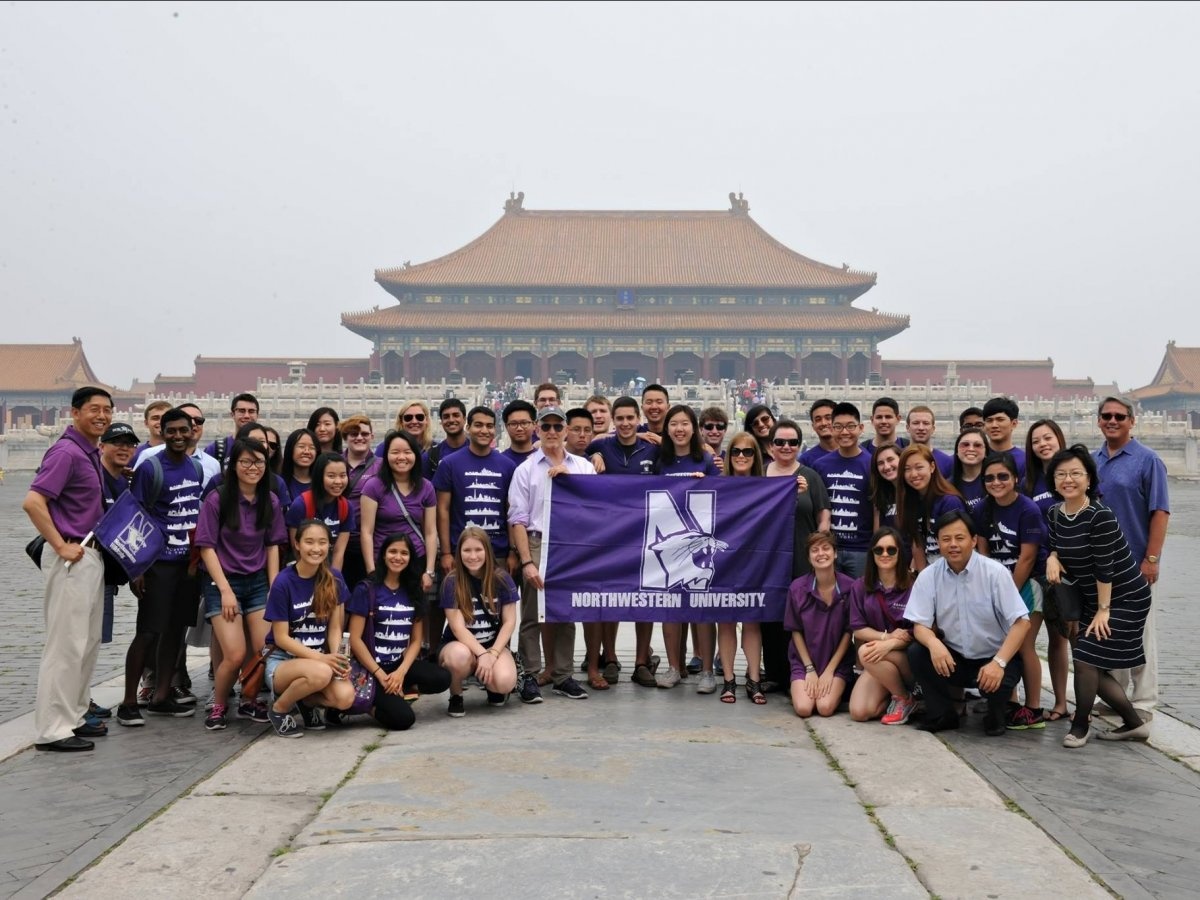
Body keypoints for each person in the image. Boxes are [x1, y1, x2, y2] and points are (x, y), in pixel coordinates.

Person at [24, 386, 113, 751]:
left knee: (86, 643)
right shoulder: (65, 452)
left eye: (107, 410)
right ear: (75, 413)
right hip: (71, 555)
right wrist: (60, 545)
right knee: (65, 645)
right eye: (94, 409)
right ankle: (53, 730)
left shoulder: (89, 452)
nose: (102, 416)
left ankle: (74, 716)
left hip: (90, 554)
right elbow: (33, 502)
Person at [1046, 445, 1153, 748]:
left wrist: (1103, 610)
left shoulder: (1099, 515)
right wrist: (1052, 557)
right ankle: (1134, 724)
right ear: (1053, 481)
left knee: (1084, 659)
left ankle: (1080, 725)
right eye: (1061, 474)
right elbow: (1055, 545)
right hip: (1093, 598)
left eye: (1075, 473)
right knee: (1090, 661)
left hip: (1125, 598)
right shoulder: (1054, 513)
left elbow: (1104, 568)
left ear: (1089, 479)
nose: (1068, 479)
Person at [904, 510, 1030, 736]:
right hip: (956, 658)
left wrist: (999, 662)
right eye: (946, 539)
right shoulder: (929, 576)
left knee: (995, 725)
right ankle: (942, 714)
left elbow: (1022, 623)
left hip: (993, 657)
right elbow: (919, 625)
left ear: (973, 540)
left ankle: (997, 712)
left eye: (959, 538)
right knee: (917, 652)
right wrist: (934, 644)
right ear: (938, 543)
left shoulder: (995, 573)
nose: (953, 544)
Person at [193, 438, 288, 731]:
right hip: (222, 581)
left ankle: (249, 699)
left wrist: (274, 586)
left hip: (257, 582)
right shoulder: (217, 499)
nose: (252, 467)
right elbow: (206, 548)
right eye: (245, 461)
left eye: (259, 462)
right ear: (233, 465)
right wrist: (224, 590)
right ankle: (219, 703)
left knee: (264, 649)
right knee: (234, 654)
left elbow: (272, 545)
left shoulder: (270, 500)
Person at [119, 407, 204, 726]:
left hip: (187, 565)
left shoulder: (196, 468)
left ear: (192, 431)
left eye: (184, 430)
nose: (179, 436)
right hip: (158, 564)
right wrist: (137, 569)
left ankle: (161, 696)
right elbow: (133, 517)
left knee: (175, 631)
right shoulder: (150, 468)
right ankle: (129, 701)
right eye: (172, 431)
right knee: (148, 631)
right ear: (162, 432)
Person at [508, 405, 594, 702]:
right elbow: (517, 519)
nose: (553, 432)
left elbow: (596, 506)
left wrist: (571, 481)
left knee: (566, 613)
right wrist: (526, 561)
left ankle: (563, 675)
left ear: (566, 430)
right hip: (537, 541)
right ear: (537, 429)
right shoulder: (526, 469)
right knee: (532, 613)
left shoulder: (582, 467)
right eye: (546, 426)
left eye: (558, 426)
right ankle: (530, 674)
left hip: (570, 544)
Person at [1092, 396, 1169, 720]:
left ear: (1131, 421)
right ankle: (1116, 697)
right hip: (1100, 565)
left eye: (1119, 416)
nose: (1112, 421)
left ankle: (1144, 701)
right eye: (1106, 415)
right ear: (1099, 420)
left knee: (1141, 633)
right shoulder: (1092, 461)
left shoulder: (1148, 460)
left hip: (1136, 562)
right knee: (1109, 631)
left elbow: (1160, 511)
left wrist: (1151, 558)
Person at [583, 396, 658, 687]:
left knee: (646, 598)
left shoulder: (652, 448)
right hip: (610, 535)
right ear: (613, 421)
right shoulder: (602, 446)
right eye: (621, 419)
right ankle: (611, 658)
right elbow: (568, 448)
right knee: (609, 595)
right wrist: (593, 454)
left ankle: (641, 661)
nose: (626, 423)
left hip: (644, 533)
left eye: (630, 418)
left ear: (638, 419)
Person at [347, 532, 451, 729]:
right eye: (392, 551)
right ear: (383, 555)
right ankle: (368, 705)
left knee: (442, 678)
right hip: (371, 669)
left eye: (404, 553)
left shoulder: (413, 590)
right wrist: (380, 675)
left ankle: (399, 689)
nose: (398, 557)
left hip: (397, 665)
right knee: (404, 719)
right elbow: (355, 639)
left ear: (411, 558)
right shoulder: (367, 589)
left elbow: (416, 641)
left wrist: (400, 673)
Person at [975, 452, 1048, 730]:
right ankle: (1011, 702)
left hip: (1027, 584)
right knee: (1002, 642)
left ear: (1015, 478)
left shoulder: (1028, 509)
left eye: (1003, 476)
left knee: (1025, 645)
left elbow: (1028, 558)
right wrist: (989, 588)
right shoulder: (983, 508)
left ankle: (1034, 708)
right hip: (997, 583)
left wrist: (1009, 593)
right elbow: (983, 552)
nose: (996, 482)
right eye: (989, 478)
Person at [262, 519, 355, 738]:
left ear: (329, 545)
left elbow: (335, 628)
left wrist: (338, 658)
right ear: (297, 544)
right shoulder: (283, 582)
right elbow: (281, 638)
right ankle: (279, 709)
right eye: (309, 542)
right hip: (282, 661)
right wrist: (322, 660)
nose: (316, 548)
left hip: (318, 661)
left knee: (345, 698)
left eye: (322, 542)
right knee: (321, 672)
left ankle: (305, 702)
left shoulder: (335, 577)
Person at [654, 405, 721, 692]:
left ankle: (707, 670)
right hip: (668, 539)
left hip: (699, 543)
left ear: (694, 428)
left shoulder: (706, 460)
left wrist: (705, 484)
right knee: (670, 608)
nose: (679, 429)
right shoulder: (659, 460)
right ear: (667, 429)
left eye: (684, 423)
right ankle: (673, 667)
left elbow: (722, 496)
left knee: (701, 607)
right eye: (674, 424)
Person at [765, 418, 831, 691]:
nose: (786, 447)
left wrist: (819, 549)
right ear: (770, 446)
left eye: (792, 442)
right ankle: (774, 674)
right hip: (767, 559)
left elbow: (823, 516)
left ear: (799, 445)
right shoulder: (760, 475)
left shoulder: (810, 477)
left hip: (802, 559)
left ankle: (802, 672)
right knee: (770, 617)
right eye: (780, 442)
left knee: (802, 618)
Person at [438, 526, 520, 716]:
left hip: (492, 644)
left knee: (505, 681)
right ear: (459, 553)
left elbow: (509, 622)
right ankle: (456, 695)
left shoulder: (502, 579)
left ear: (487, 551)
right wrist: (482, 655)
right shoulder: (452, 581)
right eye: (467, 550)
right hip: (459, 645)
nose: (473, 556)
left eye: (478, 550)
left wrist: (493, 653)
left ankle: (493, 686)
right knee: (458, 657)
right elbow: (458, 628)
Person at [1022, 417, 1072, 721]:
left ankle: (1063, 702)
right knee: (1026, 638)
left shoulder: (1070, 475)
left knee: (1060, 638)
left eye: (1047, 438)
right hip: (1035, 570)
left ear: (1059, 439)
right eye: (1036, 440)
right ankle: (1029, 702)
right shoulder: (1028, 482)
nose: (1042, 444)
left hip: (1066, 571)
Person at [716, 432, 767, 703]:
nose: (741, 456)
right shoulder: (718, 484)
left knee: (751, 620)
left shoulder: (768, 487)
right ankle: (728, 680)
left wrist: (797, 489)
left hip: (754, 561)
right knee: (725, 621)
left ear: (755, 456)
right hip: (724, 560)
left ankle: (754, 679)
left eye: (748, 452)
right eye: (736, 451)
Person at [848, 527, 916, 724]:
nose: (885, 554)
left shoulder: (914, 585)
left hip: (907, 656)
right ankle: (896, 695)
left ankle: (904, 699)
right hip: (879, 659)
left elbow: (916, 631)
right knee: (859, 712)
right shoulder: (860, 586)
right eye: (879, 550)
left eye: (891, 550)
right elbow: (858, 629)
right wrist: (886, 638)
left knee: (865, 652)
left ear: (900, 553)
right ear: (872, 553)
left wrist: (890, 644)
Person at [359, 430, 437, 597]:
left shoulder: (426, 487)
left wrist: (429, 571)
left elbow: (430, 532)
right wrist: (371, 570)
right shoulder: (373, 486)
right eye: (395, 452)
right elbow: (366, 532)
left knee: (415, 608)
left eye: (407, 452)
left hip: (415, 561)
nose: (401, 457)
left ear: (415, 455)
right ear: (386, 455)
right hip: (382, 561)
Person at [785, 531, 854, 718]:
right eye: (814, 550)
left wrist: (829, 671)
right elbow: (795, 630)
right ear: (809, 558)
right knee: (804, 709)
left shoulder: (850, 587)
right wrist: (809, 669)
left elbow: (849, 632)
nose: (821, 553)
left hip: (837, 662)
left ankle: (840, 689)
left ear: (835, 553)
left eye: (826, 548)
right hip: (805, 661)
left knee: (824, 708)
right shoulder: (797, 588)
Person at [811, 403, 875, 578]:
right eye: (838, 427)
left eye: (850, 426)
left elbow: (877, 509)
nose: (845, 432)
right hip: (829, 548)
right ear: (832, 429)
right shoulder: (820, 465)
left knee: (860, 593)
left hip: (861, 549)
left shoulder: (871, 464)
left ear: (861, 428)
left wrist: (875, 544)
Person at [896, 444, 967, 571]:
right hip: (930, 571)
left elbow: (957, 545)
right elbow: (917, 543)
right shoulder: (911, 501)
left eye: (919, 467)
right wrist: (923, 577)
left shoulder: (949, 502)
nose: (913, 474)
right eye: (907, 469)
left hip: (953, 570)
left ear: (932, 467)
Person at [286, 452, 354, 572]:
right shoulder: (301, 505)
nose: (338, 481)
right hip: (303, 567)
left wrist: (333, 578)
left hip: (328, 568)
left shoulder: (346, 507)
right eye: (331, 476)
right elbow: (296, 548)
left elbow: (339, 552)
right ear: (319, 477)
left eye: (343, 475)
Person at [338, 414, 381, 588]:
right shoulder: (334, 463)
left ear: (372, 436)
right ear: (345, 437)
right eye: (353, 434)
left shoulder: (382, 466)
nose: (359, 437)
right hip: (340, 543)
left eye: (364, 434)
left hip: (371, 544)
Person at [204, 393, 260, 464]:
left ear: (257, 415)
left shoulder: (266, 447)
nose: (246, 416)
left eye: (251, 411)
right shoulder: (215, 449)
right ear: (232, 414)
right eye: (241, 411)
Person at [981, 397, 1026, 478]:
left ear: (1014, 424)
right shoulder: (978, 455)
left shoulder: (1024, 460)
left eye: (1000, 420)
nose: (994, 425)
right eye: (989, 420)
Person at [425, 398, 468, 478]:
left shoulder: (477, 451)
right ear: (441, 421)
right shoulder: (431, 456)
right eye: (446, 417)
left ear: (464, 419)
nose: (451, 420)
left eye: (456, 415)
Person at [950, 427, 988, 514]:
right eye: (965, 444)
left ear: (986, 452)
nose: (971, 449)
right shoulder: (947, 486)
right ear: (957, 451)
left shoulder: (995, 483)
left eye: (977, 445)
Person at [904, 405, 952, 475]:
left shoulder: (946, 462)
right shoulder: (898, 457)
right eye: (916, 423)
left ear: (933, 429)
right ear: (907, 428)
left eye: (926, 423)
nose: (921, 428)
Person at [280, 428, 318, 503]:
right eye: (301, 446)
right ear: (290, 449)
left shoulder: (323, 482)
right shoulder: (279, 482)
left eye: (312, 447)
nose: (307, 452)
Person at [869, 443, 901, 530]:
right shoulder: (880, 495)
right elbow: (878, 533)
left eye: (890, 459)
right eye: (880, 463)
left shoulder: (915, 491)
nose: (886, 467)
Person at [799, 399, 837, 467]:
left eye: (828, 418)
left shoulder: (854, 454)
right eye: (818, 420)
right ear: (813, 426)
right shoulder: (806, 460)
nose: (823, 423)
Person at [501, 399, 538, 466]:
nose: (519, 428)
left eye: (524, 423)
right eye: (513, 424)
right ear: (506, 427)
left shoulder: (543, 460)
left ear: (534, 425)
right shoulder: (500, 462)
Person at [698, 406, 729, 473]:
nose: (714, 431)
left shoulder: (731, 460)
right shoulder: (691, 458)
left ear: (725, 430)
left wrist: (727, 472)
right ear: (701, 429)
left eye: (720, 427)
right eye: (709, 427)